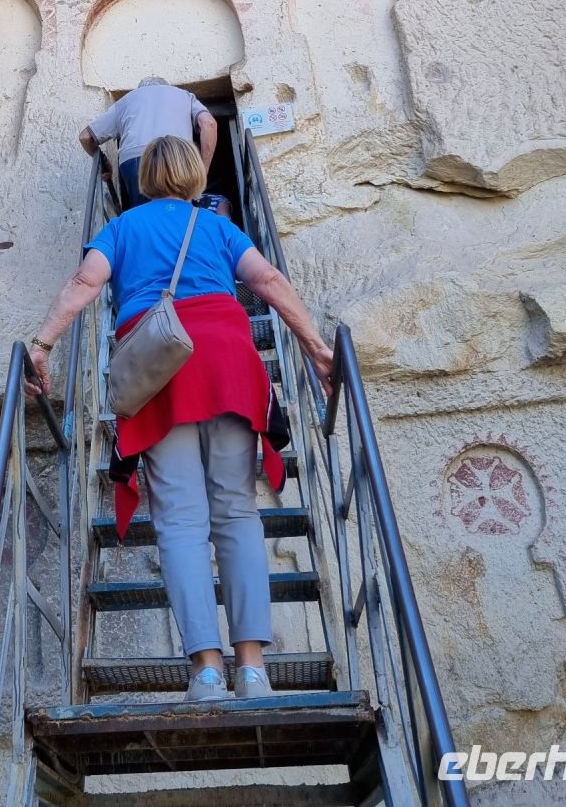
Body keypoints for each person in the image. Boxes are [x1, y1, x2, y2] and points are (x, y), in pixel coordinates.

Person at [27, 135, 333, 703]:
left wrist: (43, 343)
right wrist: (316, 350)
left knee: (180, 522)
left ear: (143, 180)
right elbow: (267, 281)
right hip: (227, 364)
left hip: (160, 369)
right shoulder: (217, 226)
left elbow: (84, 285)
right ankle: (253, 669)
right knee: (238, 514)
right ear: (194, 177)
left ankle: (207, 672)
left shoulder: (119, 230)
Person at [80, 77, 217, 210]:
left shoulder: (127, 100)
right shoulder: (184, 96)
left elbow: (85, 137)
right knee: (180, 213)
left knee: (145, 216)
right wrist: (202, 172)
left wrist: (104, 163)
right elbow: (209, 124)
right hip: (177, 156)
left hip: (135, 161)